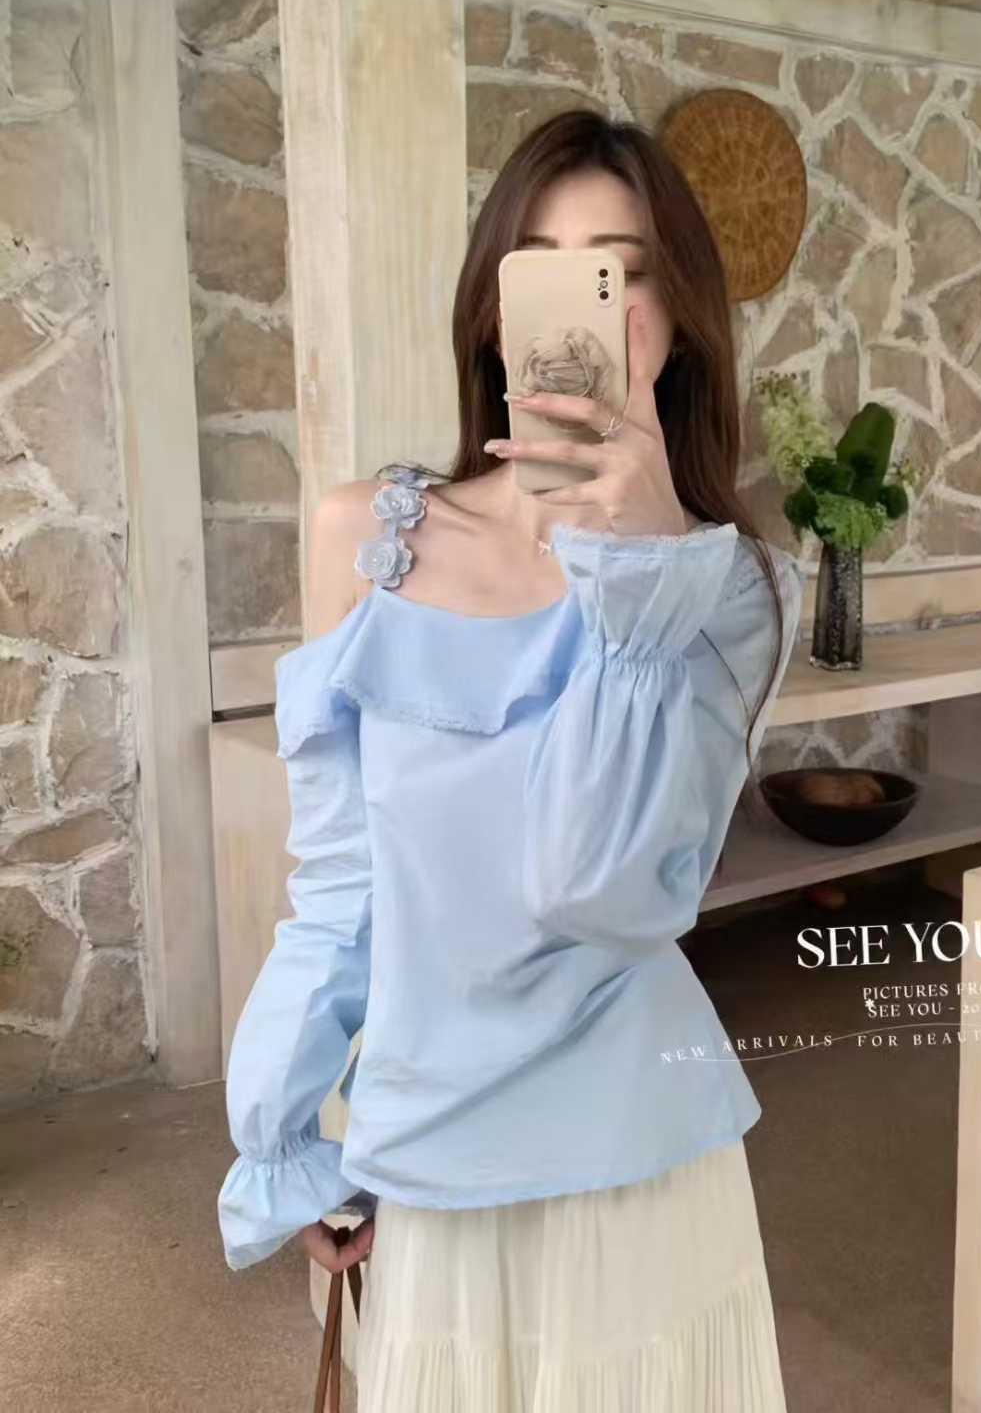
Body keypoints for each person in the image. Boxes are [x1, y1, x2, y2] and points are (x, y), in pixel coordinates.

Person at [218, 108, 804, 1411]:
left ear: (676, 317)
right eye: (545, 268)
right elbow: (341, 883)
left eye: (624, 268)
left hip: (638, 1157)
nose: (586, 306)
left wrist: (642, 570)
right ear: (494, 311)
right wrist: (284, 1126)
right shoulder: (363, 537)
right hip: (432, 1145)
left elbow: (603, 890)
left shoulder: (733, 589)